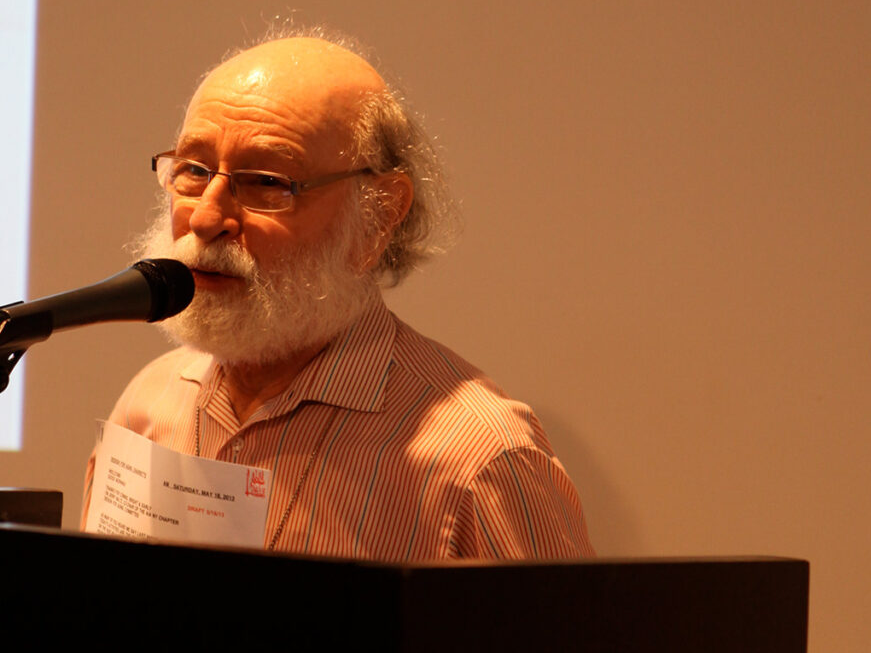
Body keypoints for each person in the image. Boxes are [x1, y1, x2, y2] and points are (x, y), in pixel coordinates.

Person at [82, 32, 593, 562]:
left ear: (379, 216)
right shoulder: (149, 403)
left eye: (265, 181)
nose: (207, 218)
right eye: (193, 170)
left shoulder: (481, 459)